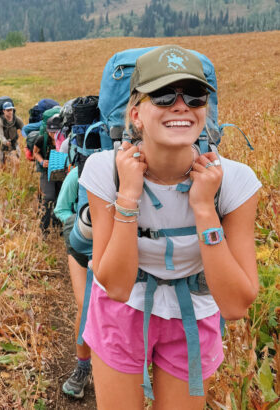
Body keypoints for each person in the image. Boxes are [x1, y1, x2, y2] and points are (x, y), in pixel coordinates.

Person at [78, 45, 261, 409]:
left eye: (194, 96)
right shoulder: (105, 172)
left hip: (193, 311)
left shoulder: (236, 182)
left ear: (205, 112)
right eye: (163, 96)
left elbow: (237, 304)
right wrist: (129, 196)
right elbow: (114, 286)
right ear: (136, 114)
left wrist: (205, 209)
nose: (181, 106)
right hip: (123, 308)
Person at [54, 166, 91, 399]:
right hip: (82, 244)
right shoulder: (79, 172)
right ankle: (83, 367)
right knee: (85, 305)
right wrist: (78, 225)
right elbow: (60, 208)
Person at [32, 109, 62, 236]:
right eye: (51, 132)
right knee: (48, 197)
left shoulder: (64, 139)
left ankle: (58, 226)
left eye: (55, 132)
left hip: (61, 172)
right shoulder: (42, 139)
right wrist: (41, 161)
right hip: (46, 172)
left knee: (60, 198)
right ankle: (44, 228)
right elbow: (35, 151)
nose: (53, 134)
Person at [0, 101, 24, 172]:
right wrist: (5, 142)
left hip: (13, 144)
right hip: (1, 145)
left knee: (16, 162)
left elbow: (24, 129)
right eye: (8, 110)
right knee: (2, 165)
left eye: (11, 110)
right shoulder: (0, 121)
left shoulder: (17, 119)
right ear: (3, 111)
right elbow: (0, 135)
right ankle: (2, 177)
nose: (10, 112)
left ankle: (14, 178)